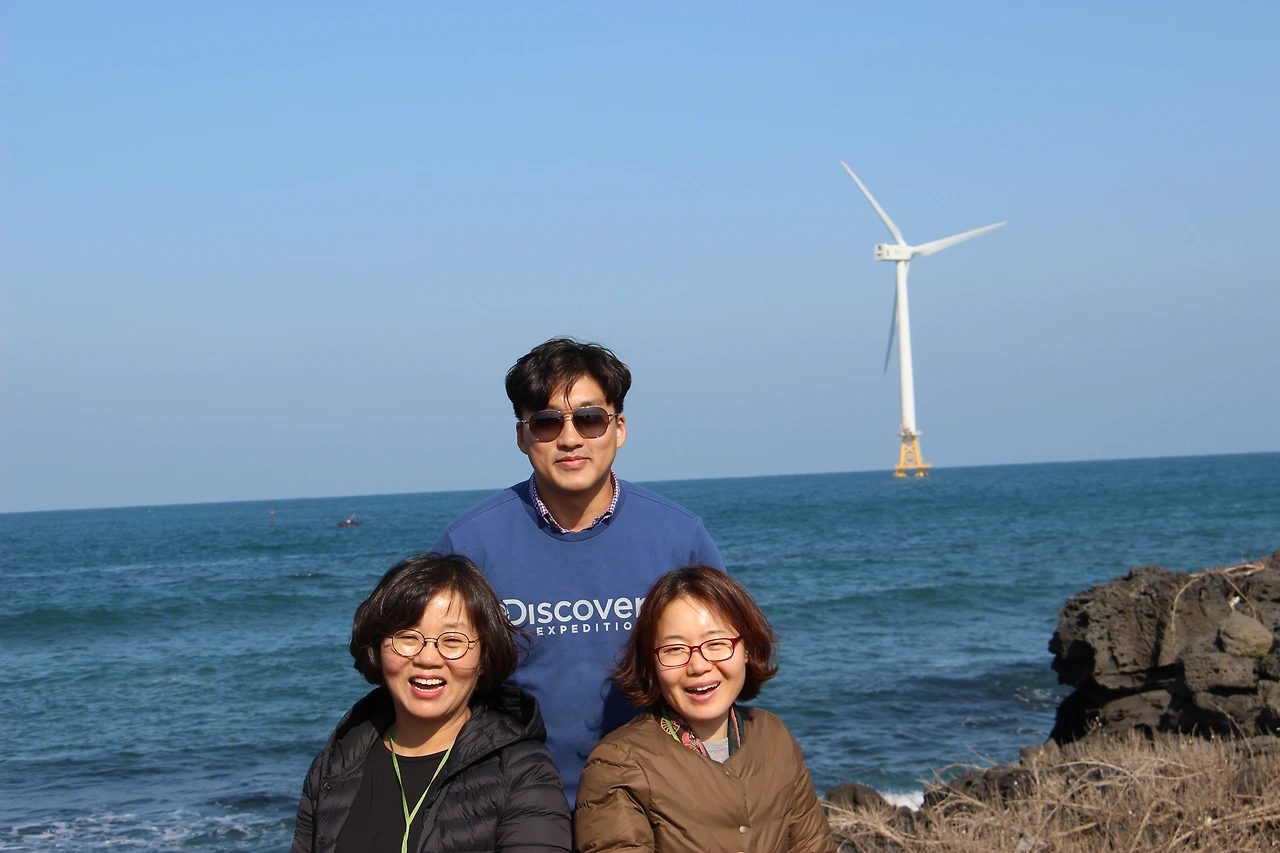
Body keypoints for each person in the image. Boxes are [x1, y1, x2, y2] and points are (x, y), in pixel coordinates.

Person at [431, 337, 725, 800]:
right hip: (512, 800)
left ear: (618, 428)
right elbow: (430, 673)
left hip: (659, 795)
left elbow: (722, 667)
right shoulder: (468, 545)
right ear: (522, 436)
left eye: (589, 419)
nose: (570, 439)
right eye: (547, 422)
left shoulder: (679, 537)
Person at [292, 553, 570, 853]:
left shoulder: (524, 771)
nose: (428, 658)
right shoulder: (336, 763)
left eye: (453, 641)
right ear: (377, 646)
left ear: (484, 657)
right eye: (408, 637)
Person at [574, 565, 836, 853]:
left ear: (747, 649)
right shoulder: (619, 764)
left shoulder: (773, 737)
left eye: (717, 644)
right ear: (651, 662)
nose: (698, 666)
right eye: (675, 649)